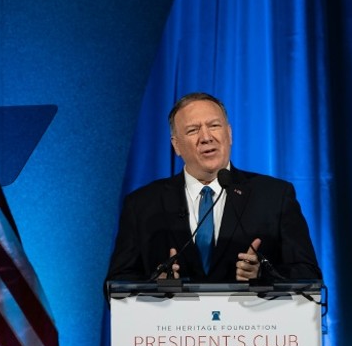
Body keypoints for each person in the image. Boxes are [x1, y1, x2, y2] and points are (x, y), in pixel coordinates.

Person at [106, 92, 322, 283]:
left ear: (229, 134)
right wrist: (154, 284)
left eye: (214, 126)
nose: (206, 137)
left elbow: (308, 273)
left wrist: (263, 275)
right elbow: (117, 282)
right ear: (176, 145)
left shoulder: (274, 196)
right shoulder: (142, 204)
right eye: (193, 130)